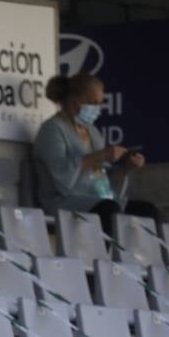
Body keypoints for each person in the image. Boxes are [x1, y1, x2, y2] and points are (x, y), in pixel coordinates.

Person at [34, 72, 157, 236]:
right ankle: (105, 260)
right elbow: (61, 177)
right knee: (108, 209)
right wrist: (100, 155)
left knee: (147, 210)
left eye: (100, 103)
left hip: (97, 198)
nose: (97, 109)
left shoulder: (93, 132)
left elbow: (103, 180)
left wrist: (126, 168)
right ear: (73, 101)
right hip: (64, 200)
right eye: (92, 103)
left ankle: (135, 260)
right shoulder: (52, 130)